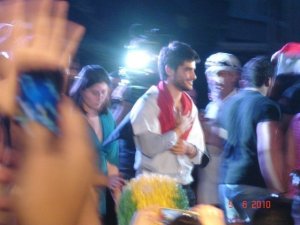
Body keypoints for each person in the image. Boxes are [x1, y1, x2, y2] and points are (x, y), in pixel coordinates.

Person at [130, 41, 209, 206]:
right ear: (169, 70)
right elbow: (149, 148)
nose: (194, 76)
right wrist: (178, 131)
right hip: (153, 191)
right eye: (187, 70)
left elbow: (201, 156)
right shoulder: (147, 103)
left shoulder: (189, 105)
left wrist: (189, 149)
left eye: (194, 70)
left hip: (184, 189)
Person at [218, 56, 287, 224]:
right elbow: (266, 150)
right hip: (252, 187)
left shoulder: (227, 105)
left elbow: (221, 140)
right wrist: (277, 188)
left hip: (226, 185)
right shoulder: (266, 106)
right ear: (269, 80)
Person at [69, 65, 125, 224]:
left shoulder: (107, 118)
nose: (100, 97)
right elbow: (71, 167)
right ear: (81, 90)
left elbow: (112, 160)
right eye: (95, 92)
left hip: (103, 196)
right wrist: (103, 180)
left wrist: (118, 195)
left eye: (104, 92)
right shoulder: (71, 119)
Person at [197, 52, 241, 206]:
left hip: (231, 190)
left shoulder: (241, 105)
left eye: (222, 73)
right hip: (207, 186)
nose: (216, 79)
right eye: (211, 74)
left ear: (235, 76)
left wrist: (211, 133)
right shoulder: (211, 107)